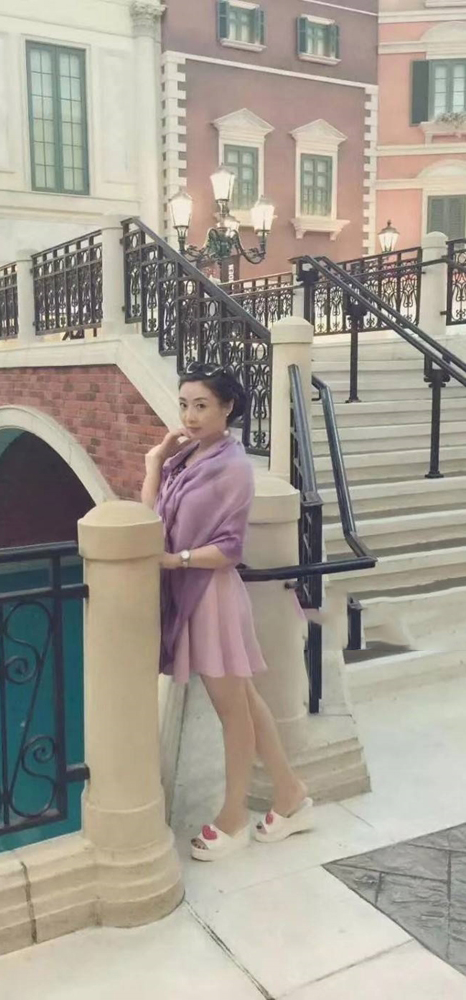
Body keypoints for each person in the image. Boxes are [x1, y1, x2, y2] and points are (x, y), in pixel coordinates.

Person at [142, 361, 314, 862]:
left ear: (227, 408)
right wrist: (154, 464)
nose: (190, 416)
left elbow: (229, 548)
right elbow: (151, 521)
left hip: (212, 596)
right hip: (195, 593)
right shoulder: (187, 457)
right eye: (184, 405)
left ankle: (233, 817)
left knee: (232, 710)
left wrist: (176, 560)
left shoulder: (233, 467)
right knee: (246, 700)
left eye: (201, 406)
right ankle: (291, 796)